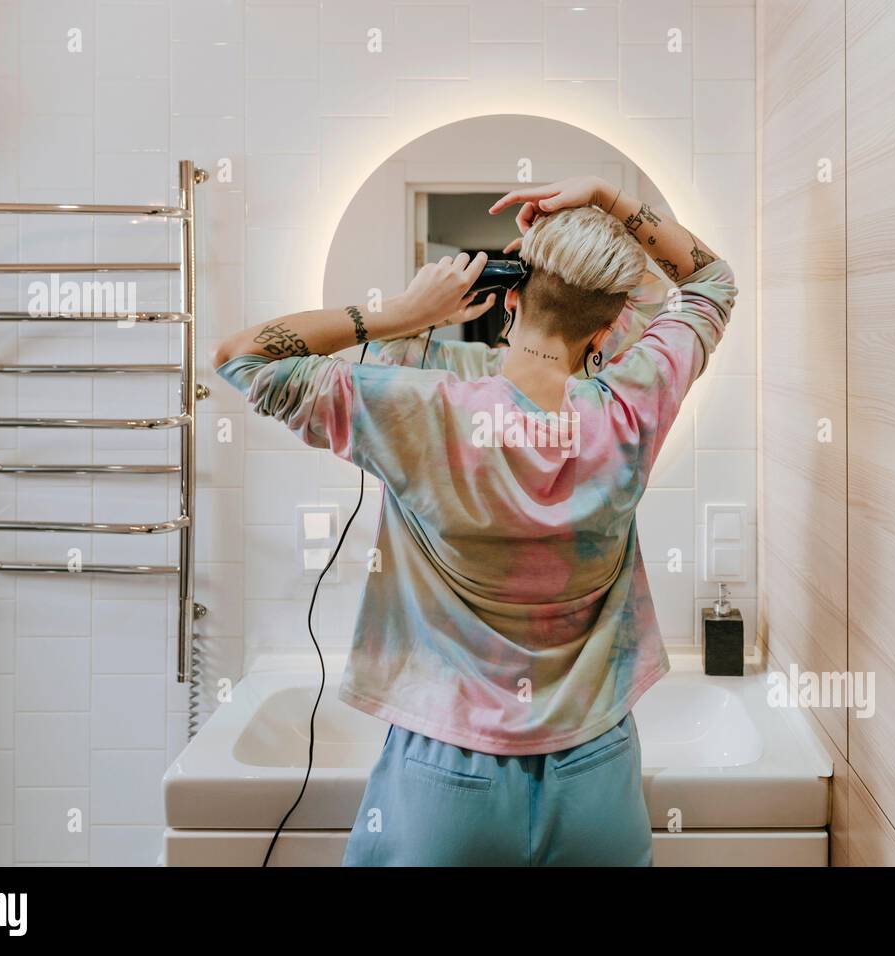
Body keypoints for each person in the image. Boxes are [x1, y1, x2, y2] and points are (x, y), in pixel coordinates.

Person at [212, 175, 737, 866]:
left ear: (509, 297)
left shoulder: (417, 408)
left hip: (446, 776)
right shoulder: (633, 405)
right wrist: (606, 197)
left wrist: (397, 314)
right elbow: (711, 280)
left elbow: (243, 356)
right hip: (596, 775)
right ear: (612, 327)